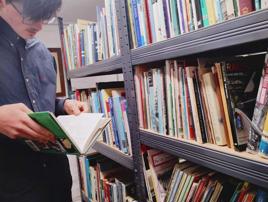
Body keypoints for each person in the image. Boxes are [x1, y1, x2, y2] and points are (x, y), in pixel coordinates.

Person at [0, 0, 88, 201]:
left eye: (46, 16)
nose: (40, 25)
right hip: (12, 188)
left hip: (58, 182)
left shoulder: (42, 52)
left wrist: (64, 105)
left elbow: (44, 103)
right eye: (32, 15)